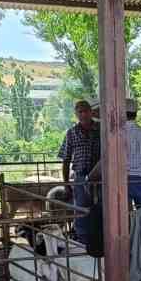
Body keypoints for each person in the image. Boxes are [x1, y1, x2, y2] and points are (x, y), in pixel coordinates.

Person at [58, 99, 102, 245]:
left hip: (101, 176)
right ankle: (84, 242)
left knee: (102, 206)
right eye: (80, 112)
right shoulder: (71, 133)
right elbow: (66, 158)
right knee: (82, 209)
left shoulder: (101, 129)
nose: (83, 114)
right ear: (76, 114)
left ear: (91, 112)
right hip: (81, 176)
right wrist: (66, 184)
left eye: (85, 111)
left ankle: (102, 239)